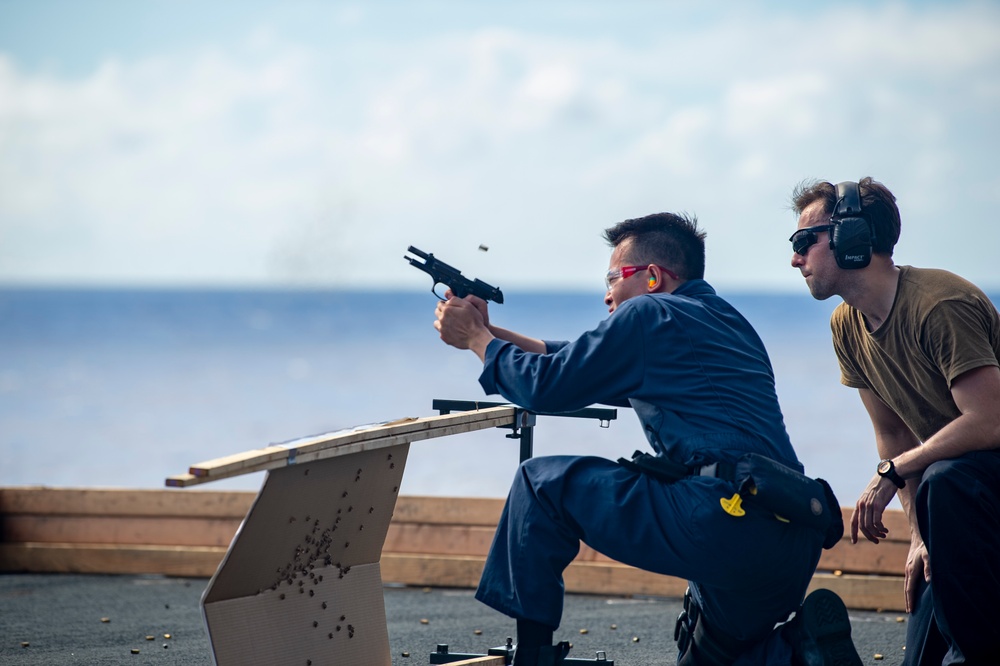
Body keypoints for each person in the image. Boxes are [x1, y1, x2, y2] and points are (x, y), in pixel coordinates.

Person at [433, 212, 861, 666]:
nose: (607, 294)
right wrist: (487, 330)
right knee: (715, 657)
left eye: (613, 278)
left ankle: (534, 657)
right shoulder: (728, 323)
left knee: (541, 484)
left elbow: (547, 386)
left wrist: (478, 342)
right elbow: (571, 358)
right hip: (790, 537)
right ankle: (800, 649)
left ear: (653, 277)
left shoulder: (648, 313)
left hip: (725, 521)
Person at [789, 178, 1000, 665]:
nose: (796, 260)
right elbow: (894, 435)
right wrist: (921, 537)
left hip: (973, 486)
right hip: (955, 502)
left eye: (804, 243)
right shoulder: (846, 325)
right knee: (927, 596)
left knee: (947, 482)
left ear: (852, 237)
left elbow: (988, 423)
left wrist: (894, 472)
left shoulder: (939, 305)